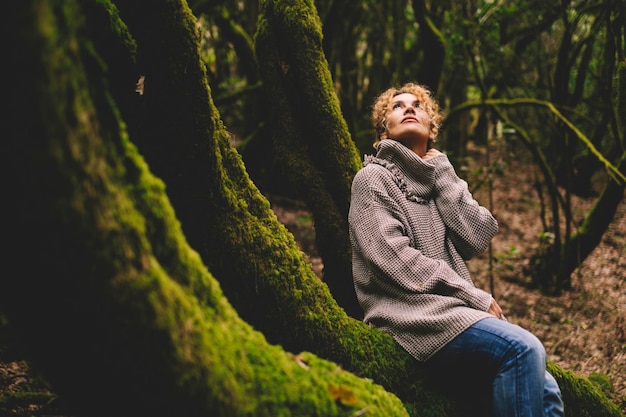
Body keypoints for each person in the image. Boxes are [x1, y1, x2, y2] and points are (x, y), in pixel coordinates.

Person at [348, 82, 564, 416]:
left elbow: (476, 236)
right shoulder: (372, 180)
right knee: (524, 350)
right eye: (397, 106)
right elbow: (393, 259)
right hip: (408, 316)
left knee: (549, 390)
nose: (408, 108)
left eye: (418, 105)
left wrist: (444, 172)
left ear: (432, 131)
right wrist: (474, 297)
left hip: (454, 314)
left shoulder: (436, 184)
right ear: (382, 134)